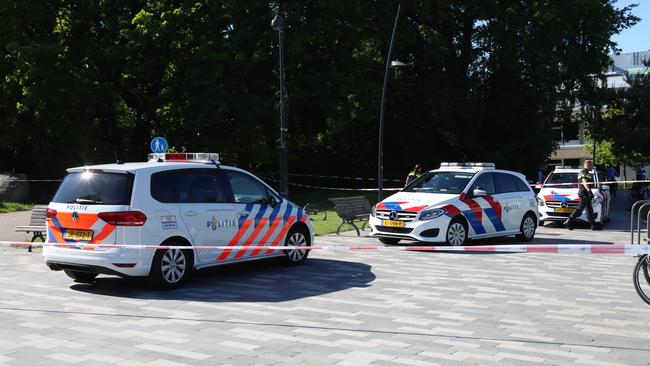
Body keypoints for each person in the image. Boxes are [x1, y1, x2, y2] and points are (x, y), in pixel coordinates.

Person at [564, 159, 599, 230]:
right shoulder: (584, 171)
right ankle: (569, 221)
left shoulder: (584, 172)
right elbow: (584, 182)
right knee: (579, 208)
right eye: (591, 165)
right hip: (584, 193)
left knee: (589, 209)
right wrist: (589, 191)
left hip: (584, 192)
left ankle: (593, 225)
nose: (592, 167)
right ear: (588, 165)